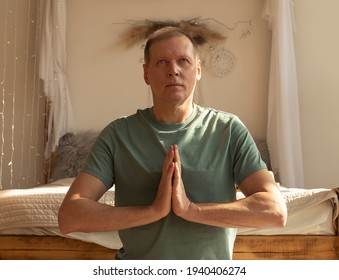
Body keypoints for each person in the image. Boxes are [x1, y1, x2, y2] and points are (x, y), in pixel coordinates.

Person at [58, 26, 287, 260]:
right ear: (146, 74)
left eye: (183, 61)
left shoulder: (228, 130)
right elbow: (70, 217)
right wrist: (153, 210)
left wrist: (190, 209)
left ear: (198, 70)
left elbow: (275, 210)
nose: (173, 71)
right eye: (162, 62)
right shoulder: (118, 135)